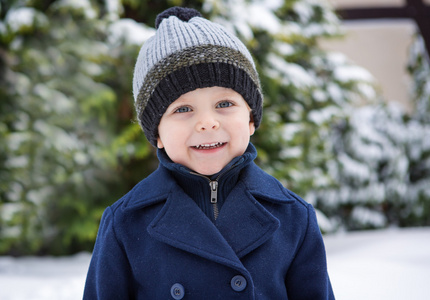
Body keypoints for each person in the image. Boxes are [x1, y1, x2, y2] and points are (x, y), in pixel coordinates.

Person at [83, 6, 334, 300]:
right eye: (183, 109)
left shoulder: (292, 216)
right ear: (157, 135)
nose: (207, 122)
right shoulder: (125, 222)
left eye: (224, 104)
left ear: (251, 119)